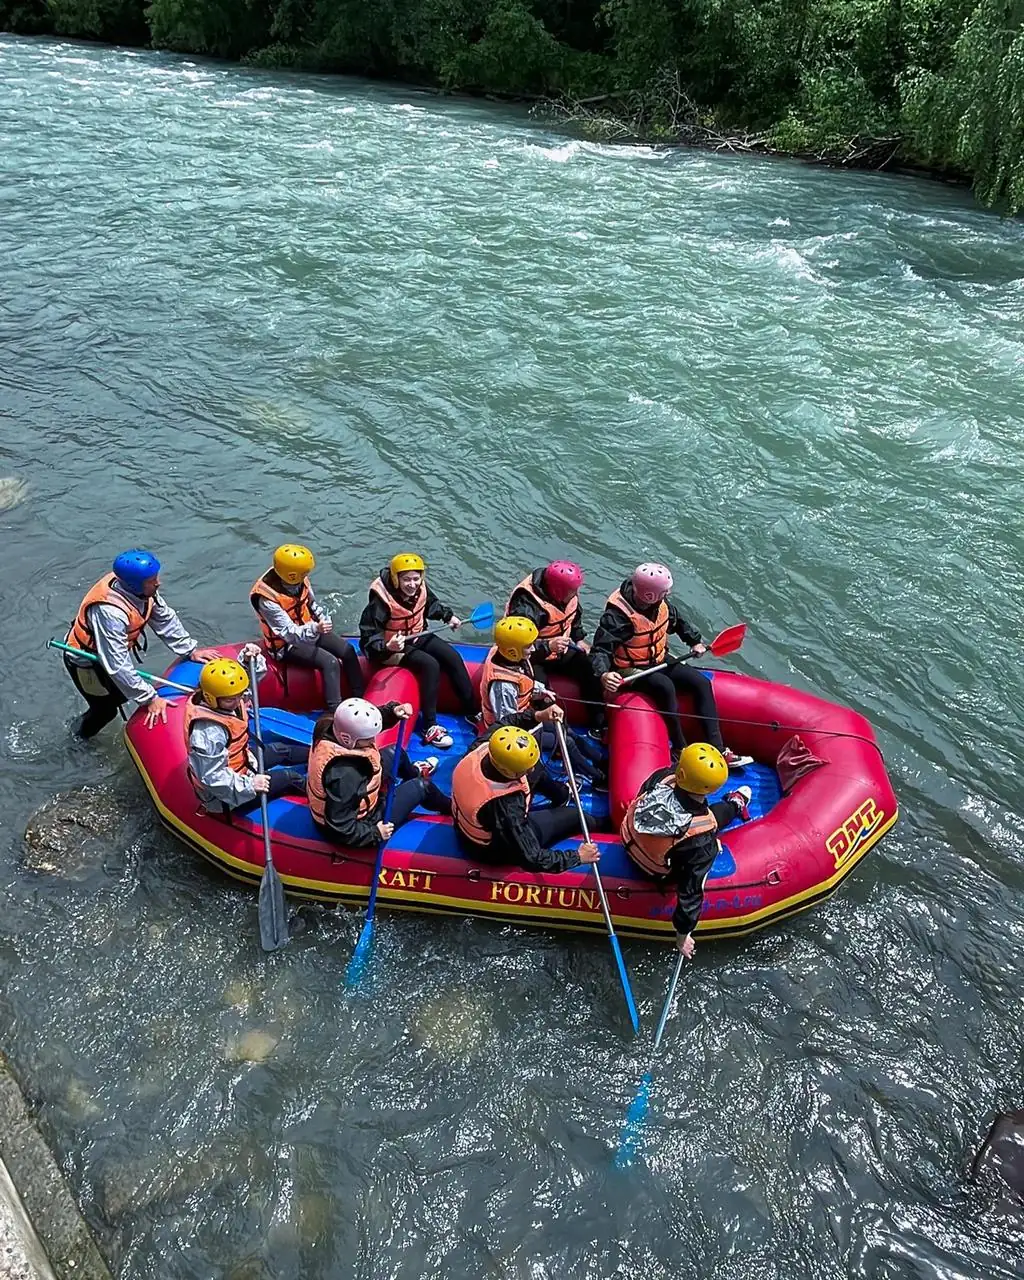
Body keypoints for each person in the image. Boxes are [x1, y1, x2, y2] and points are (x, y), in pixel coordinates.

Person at [590, 562, 751, 766]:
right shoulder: (617, 617)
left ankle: (718, 749)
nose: (669, 593)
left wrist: (694, 641)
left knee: (700, 683)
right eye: (665, 591)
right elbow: (600, 650)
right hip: (629, 668)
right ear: (650, 595)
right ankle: (679, 747)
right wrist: (604, 674)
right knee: (664, 686)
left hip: (657, 659)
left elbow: (677, 622)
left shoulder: (659, 604)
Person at [64, 549, 219, 738]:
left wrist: (190, 650)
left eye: (155, 577)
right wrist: (150, 698)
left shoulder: (142, 590)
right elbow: (117, 664)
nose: (158, 582)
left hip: (108, 655)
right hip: (86, 662)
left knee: (122, 696)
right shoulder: (110, 613)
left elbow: (164, 618)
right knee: (106, 711)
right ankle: (77, 740)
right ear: (134, 585)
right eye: (151, 581)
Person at [620, 743, 752, 958]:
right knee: (714, 819)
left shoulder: (661, 776)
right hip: (655, 871)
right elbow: (691, 893)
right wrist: (682, 937)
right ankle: (735, 804)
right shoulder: (701, 838)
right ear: (713, 789)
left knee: (705, 824)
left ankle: (733, 804)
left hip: (629, 840)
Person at [359, 552, 477, 750]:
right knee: (430, 665)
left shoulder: (420, 588)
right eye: (406, 580)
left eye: (416, 579)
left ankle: (472, 710)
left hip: (416, 635)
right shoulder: (380, 602)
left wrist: (448, 617)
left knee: (452, 656)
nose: (412, 584)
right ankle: (429, 726)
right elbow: (368, 637)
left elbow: (431, 604)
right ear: (396, 579)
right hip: (389, 649)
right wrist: (387, 647)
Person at [451, 725, 599, 874]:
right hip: (492, 849)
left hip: (469, 825)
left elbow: (507, 721)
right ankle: (602, 823)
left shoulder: (482, 746)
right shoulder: (506, 807)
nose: (531, 769)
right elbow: (532, 858)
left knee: (537, 773)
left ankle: (561, 795)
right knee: (579, 817)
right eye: (525, 769)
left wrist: (538, 715)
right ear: (506, 770)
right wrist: (578, 857)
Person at [480, 616, 607, 788]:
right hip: (511, 734)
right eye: (528, 646)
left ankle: (600, 760)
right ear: (513, 652)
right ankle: (596, 778)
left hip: (526, 716)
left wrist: (541, 691)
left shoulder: (510, 655)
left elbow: (525, 681)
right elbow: (508, 723)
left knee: (564, 727)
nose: (532, 649)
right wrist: (538, 717)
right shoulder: (503, 686)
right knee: (564, 740)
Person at [307, 697, 450, 847]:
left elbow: (362, 723)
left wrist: (393, 712)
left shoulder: (329, 726)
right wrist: (375, 833)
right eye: (368, 739)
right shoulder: (346, 775)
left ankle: (414, 772)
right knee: (422, 787)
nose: (372, 740)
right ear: (347, 739)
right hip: (364, 821)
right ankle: (453, 809)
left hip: (361, 783)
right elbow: (339, 827)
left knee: (396, 753)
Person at [184, 653, 308, 814]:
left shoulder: (226, 697)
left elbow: (247, 683)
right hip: (227, 795)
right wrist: (250, 785)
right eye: (231, 700)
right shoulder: (208, 734)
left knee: (281, 749)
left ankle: (322, 760)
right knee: (289, 777)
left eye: (239, 696)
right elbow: (211, 778)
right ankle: (323, 802)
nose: (238, 702)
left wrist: (249, 659)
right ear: (211, 698)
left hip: (243, 763)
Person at [250, 544, 364, 713]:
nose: (307, 576)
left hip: (309, 630)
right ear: (291, 574)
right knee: (330, 662)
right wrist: (316, 629)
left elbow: (311, 604)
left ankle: (360, 697)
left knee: (347, 650)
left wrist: (322, 619)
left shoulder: (299, 579)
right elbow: (289, 634)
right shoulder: (266, 599)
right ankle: (335, 712)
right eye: (304, 573)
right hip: (285, 646)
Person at [505, 561, 605, 732]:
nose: (576, 594)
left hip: (558, 651)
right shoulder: (527, 605)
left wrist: (579, 639)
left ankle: (600, 725)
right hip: (531, 657)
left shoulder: (567, 594)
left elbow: (574, 618)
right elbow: (518, 642)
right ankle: (562, 738)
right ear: (558, 590)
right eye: (572, 591)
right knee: (543, 696)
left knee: (590, 669)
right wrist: (548, 645)